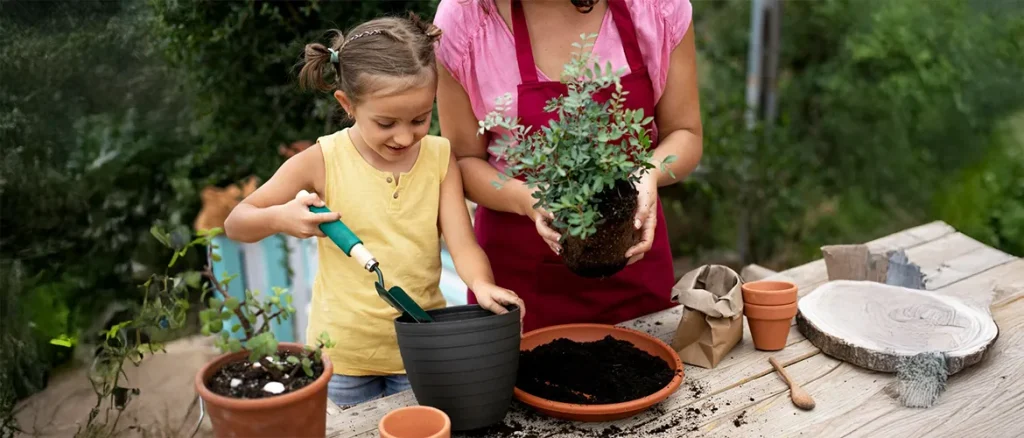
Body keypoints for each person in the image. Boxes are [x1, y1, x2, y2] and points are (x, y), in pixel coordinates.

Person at [222, 13, 524, 408]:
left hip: (420, 350)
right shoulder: (322, 160)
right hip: (343, 358)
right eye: (385, 123)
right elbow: (236, 222)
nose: (404, 136)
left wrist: (482, 285)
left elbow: (463, 244)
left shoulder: (439, 158)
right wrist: (282, 218)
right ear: (347, 104)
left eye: (419, 119)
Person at [433, 0, 703, 332]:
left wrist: (647, 173)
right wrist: (527, 198)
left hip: (632, 263)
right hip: (518, 286)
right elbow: (462, 160)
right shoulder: (466, 17)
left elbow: (685, 133)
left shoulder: (654, 7)